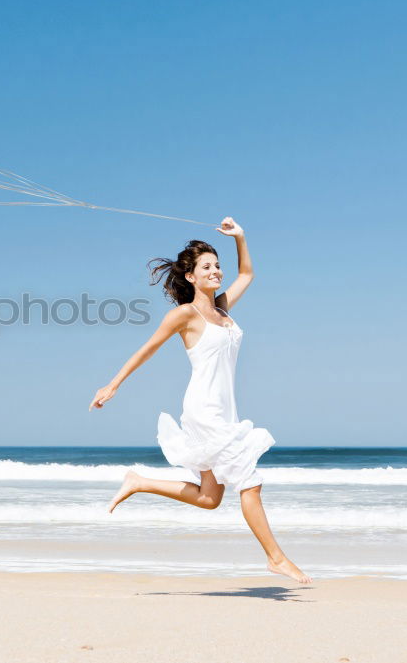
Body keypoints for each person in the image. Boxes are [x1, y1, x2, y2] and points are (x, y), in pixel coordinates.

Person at [89, 217, 311, 584]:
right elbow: (147, 350)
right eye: (207, 266)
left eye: (217, 265)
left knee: (210, 499)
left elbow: (248, 274)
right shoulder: (184, 315)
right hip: (204, 410)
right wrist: (112, 385)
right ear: (190, 276)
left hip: (225, 410)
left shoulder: (222, 309)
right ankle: (276, 558)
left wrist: (240, 237)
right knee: (249, 482)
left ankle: (139, 481)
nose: (216, 271)